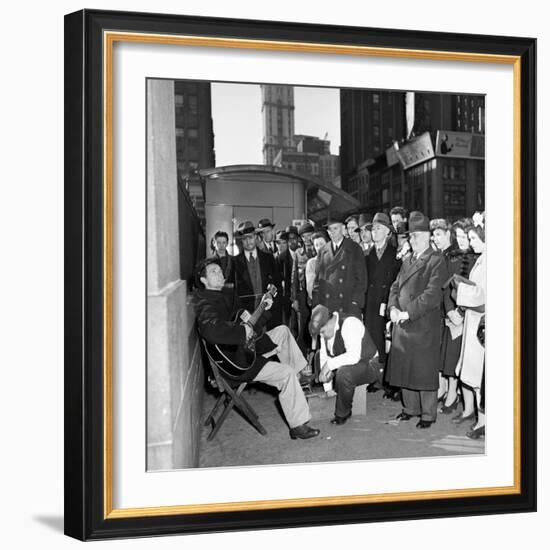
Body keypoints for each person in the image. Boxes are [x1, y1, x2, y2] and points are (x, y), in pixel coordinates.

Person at [193, 258, 320, 440]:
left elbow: (249, 325)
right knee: (285, 373)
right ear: (203, 280)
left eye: (220, 271)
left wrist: (264, 309)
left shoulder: (224, 295)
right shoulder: (205, 304)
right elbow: (212, 331)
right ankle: (298, 425)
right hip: (238, 363)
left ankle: (300, 379)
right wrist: (241, 331)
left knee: (283, 331)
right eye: (214, 272)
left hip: (244, 349)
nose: (220, 274)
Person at [385, 211, 446, 429]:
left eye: (418, 236)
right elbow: (395, 286)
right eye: (411, 236)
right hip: (402, 321)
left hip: (421, 323)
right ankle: (409, 409)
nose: (413, 239)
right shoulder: (408, 259)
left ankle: (428, 414)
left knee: (423, 370)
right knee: (405, 368)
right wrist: (392, 307)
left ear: (428, 236)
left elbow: (431, 295)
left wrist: (406, 312)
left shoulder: (436, 260)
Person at [432, 219, 478, 414]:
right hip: (452, 314)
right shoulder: (453, 257)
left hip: (469, 315)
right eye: (458, 236)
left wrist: (459, 313)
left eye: (464, 237)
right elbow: (448, 286)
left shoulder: (474, 258)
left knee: (461, 360)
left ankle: (457, 397)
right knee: (449, 357)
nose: (461, 240)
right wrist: (451, 311)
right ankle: (450, 393)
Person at [309, 304, 379, 425]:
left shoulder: (349, 323)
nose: (322, 336)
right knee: (320, 356)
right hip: (349, 364)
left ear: (330, 322)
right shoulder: (325, 332)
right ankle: (340, 390)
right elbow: (324, 357)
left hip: (369, 364)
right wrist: (327, 387)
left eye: (323, 332)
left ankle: (343, 413)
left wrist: (329, 365)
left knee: (344, 373)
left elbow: (353, 356)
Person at [453, 221, 486, 439]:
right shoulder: (482, 259)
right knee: (474, 372)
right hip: (474, 320)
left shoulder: (490, 260)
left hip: (481, 323)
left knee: (481, 374)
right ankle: (477, 416)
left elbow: (483, 295)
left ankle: (483, 422)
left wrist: (460, 289)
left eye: (474, 238)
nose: (471, 242)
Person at [363, 213, 401, 396]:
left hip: (388, 303)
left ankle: (389, 382)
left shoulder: (395, 255)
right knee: (372, 341)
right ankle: (375, 379)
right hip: (370, 303)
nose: (374, 231)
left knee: (388, 342)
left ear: (387, 232)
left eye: (378, 228)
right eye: (373, 228)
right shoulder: (366, 255)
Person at [312, 214, 367, 318]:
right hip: (327, 307)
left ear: (343, 228)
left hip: (347, 305)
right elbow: (318, 282)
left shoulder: (354, 249)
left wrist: (355, 302)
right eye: (329, 229)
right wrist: (316, 304)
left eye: (335, 228)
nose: (332, 232)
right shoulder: (323, 251)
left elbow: (361, 280)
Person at [233, 221, 283, 329]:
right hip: (247, 316)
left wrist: (271, 294)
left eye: (250, 237)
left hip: (268, 313)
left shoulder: (268, 258)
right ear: (241, 240)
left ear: (256, 237)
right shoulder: (235, 262)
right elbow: (233, 292)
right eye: (244, 238)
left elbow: (277, 283)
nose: (248, 241)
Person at [274, 230, 293, 326]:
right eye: (278, 243)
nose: (281, 246)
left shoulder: (291, 257)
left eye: (284, 243)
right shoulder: (273, 258)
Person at [305, 230, 329, 302]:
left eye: (321, 244)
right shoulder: (311, 263)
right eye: (316, 245)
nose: (319, 248)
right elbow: (311, 288)